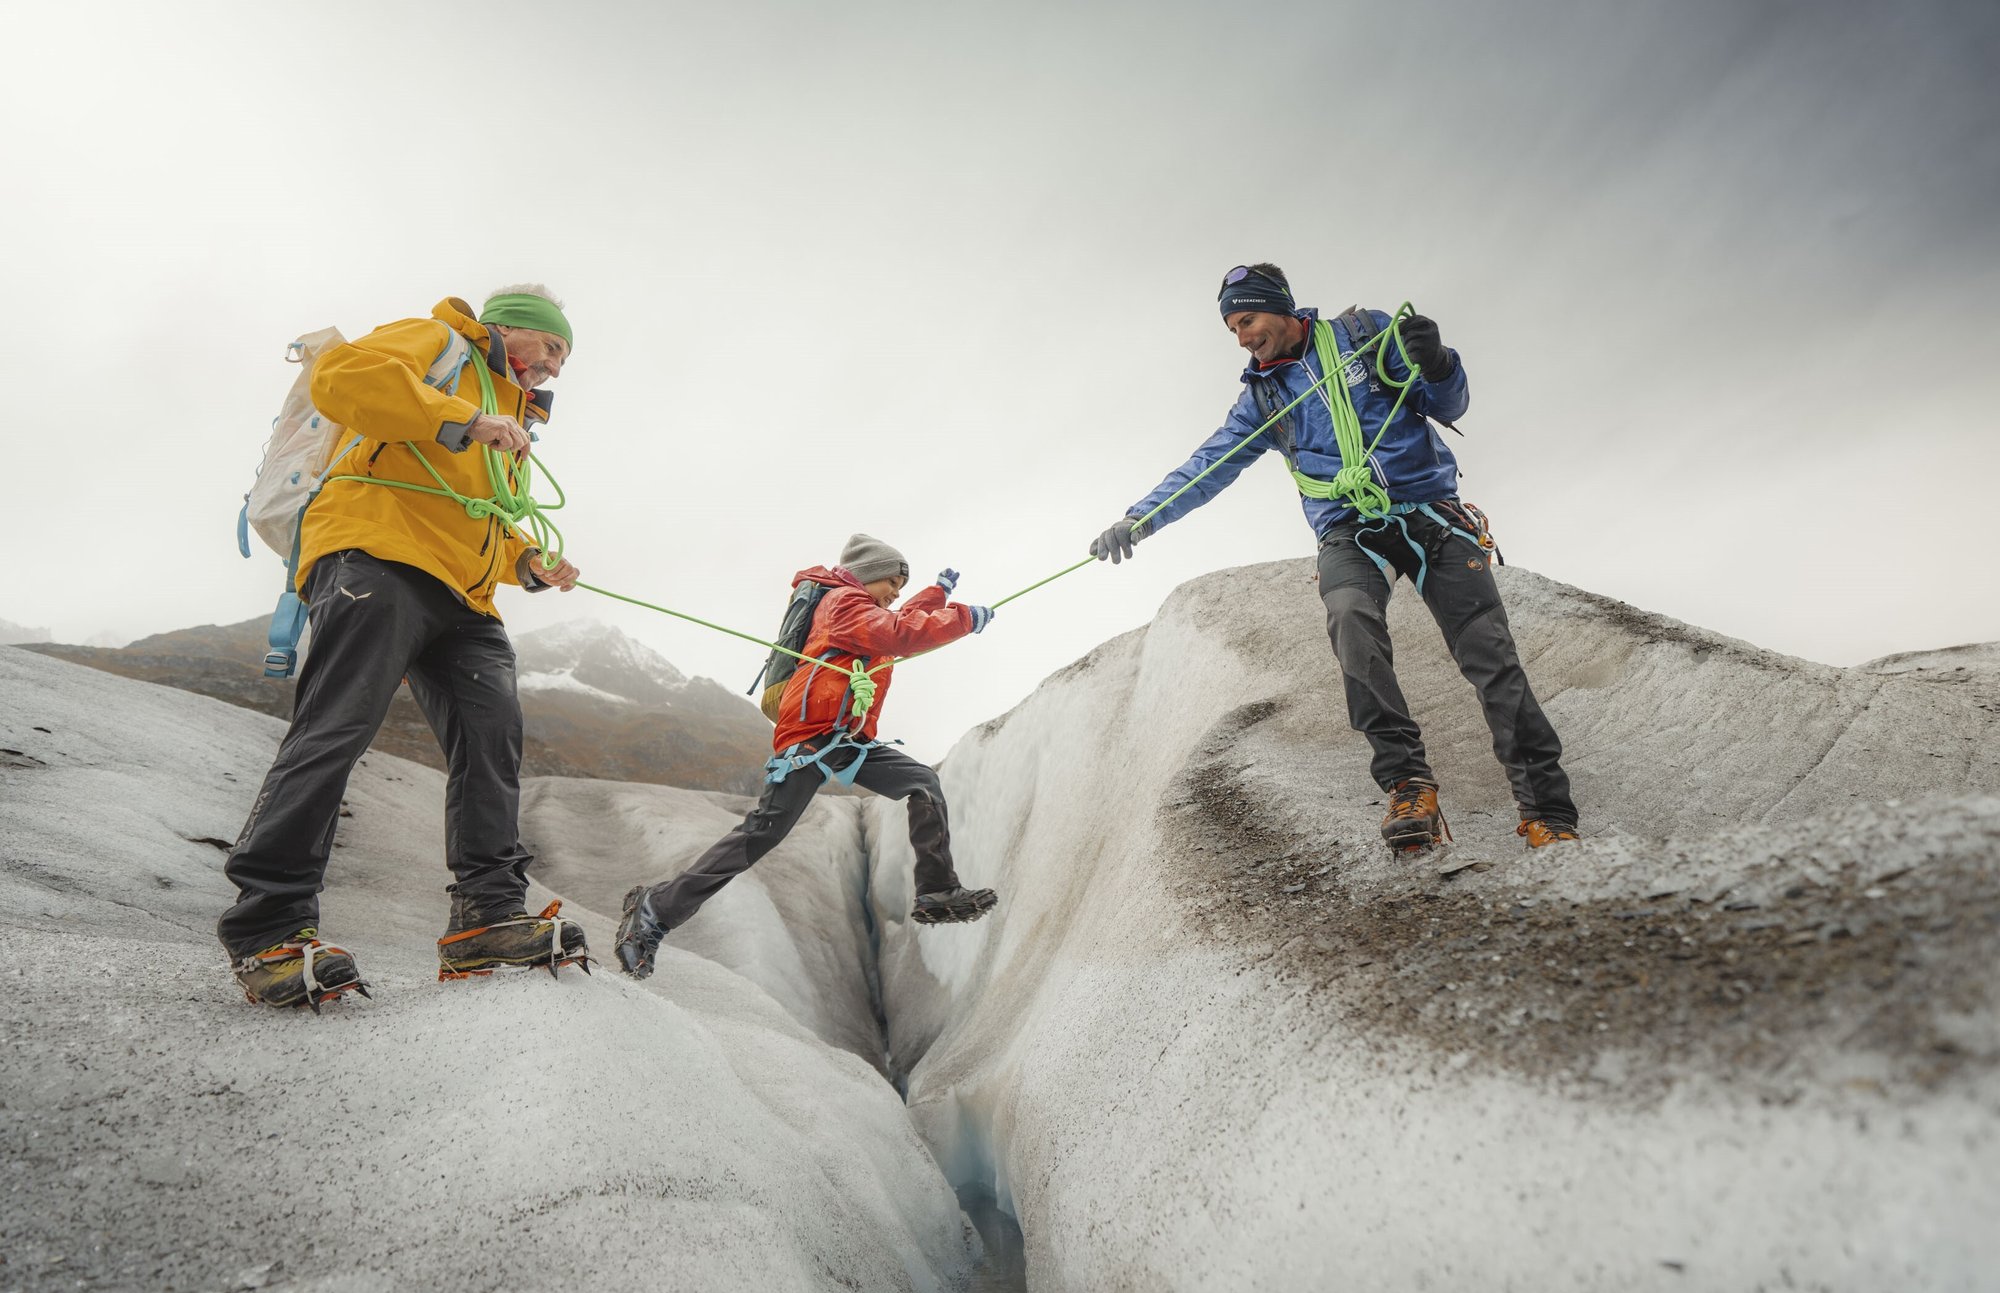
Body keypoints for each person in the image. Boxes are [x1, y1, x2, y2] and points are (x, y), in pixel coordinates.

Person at [1089, 263, 1579, 854]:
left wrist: (1440, 362)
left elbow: (1444, 401)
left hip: (1430, 513)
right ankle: (1407, 784)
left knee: (1491, 658)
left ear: (1281, 308)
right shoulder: (1262, 398)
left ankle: (1547, 812)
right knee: (1350, 621)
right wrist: (1138, 519)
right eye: (1232, 329)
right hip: (1348, 529)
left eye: (1248, 319)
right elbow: (1208, 466)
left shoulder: (1363, 335)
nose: (1242, 337)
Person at [220, 285, 591, 1010]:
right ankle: (269, 925)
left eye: (564, 357)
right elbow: (344, 379)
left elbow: (480, 516)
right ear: (507, 329)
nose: (555, 367)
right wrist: (465, 417)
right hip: (376, 554)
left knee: (493, 740)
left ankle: (486, 917)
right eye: (550, 347)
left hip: (465, 594)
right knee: (338, 727)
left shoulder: (510, 421)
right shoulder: (438, 343)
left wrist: (528, 564)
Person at [614, 535, 999, 979]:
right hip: (812, 739)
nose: (895, 594)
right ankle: (656, 909)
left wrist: (938, 594)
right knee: (760, 834)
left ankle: (936, 890)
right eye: (890, 583)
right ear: (867, 575)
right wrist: (964, 618)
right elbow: (898, 632)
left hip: (846, 738)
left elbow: (899, 619)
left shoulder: (863, 607)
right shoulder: (843, 605)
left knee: (922, 784)